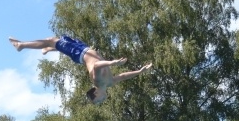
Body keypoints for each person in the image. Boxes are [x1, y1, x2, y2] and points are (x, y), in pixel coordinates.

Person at [9, 36, 152, 104]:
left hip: (79, 54)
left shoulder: (97, 80)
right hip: (84, 49)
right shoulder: (109, 83)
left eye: (99, 100)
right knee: (54, 41)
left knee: (52, 40)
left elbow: (96, 66)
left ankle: (21, 45)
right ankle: (49, 48)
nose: (102, 101)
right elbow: (122, 76)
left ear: (95, 93)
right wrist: (139, 72)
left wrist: (112, 62)